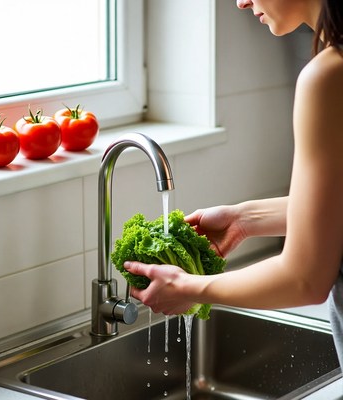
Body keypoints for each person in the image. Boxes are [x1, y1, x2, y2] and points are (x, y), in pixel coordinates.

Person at [124, 0, 343, 366]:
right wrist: (245, 218)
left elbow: (305, 279)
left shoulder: (328, 75)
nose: (241, 1)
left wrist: (189, 289)